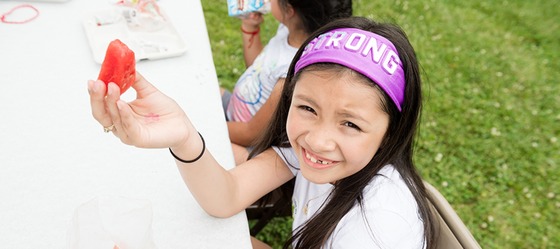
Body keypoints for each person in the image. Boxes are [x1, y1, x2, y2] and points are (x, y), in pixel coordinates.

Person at [89, 16, 436, 249]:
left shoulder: (377, 231)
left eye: (350, 124)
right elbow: (225, 197)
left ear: (391, 133)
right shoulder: (315, 156)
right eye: (308, 108)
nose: (317, 139)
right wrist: (183, 135)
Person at [222, 0, 352, 165]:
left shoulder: (289, 74)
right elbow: (259, 67)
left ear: (289, 10)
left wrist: (207, 123)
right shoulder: (289, 30)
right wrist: (250, 27)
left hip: (250, 144)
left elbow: (250, 134)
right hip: (235, 114)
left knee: (194, 142)